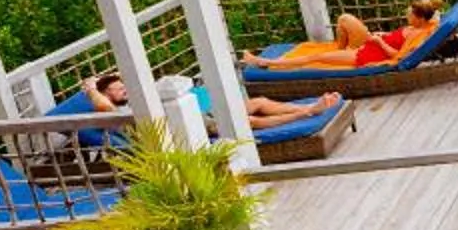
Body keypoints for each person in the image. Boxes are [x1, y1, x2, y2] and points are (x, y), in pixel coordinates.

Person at [81, 72, 335, 130]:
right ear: (107, 95)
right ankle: (309, 112)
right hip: (185, 127)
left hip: (198, 113)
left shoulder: (138, 96)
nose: (124, 90)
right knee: (247, 121)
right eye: (117, 89)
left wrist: (117, 78)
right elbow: (102, 105)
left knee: (258, 101)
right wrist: (92, 88)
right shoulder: (115, 109)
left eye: (123, 86)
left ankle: (304, 107)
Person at [258, 0, 448, 69]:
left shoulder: (417, 34)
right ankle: (271, 62)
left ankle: (269, 63)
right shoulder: (417, 27)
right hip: (367, 47)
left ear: (420, 18)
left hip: (363, 56)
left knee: (315, 58)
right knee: (321, 53)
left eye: (410, 15)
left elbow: (398, 56)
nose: (407, 17)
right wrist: (382, 36)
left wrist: (380, 42)